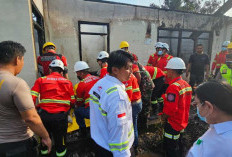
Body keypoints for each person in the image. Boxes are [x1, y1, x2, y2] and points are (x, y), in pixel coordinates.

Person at [0, 41, 51, 156]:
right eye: (22, 59)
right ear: (17, 59)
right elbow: (31, 118)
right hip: (16, 145)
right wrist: (45, 137)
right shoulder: (16, 83)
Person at [89, 50, 134, 157]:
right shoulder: (117, 96)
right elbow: (118, 130)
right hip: (112, 150)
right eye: (127, 68)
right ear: (115, 70)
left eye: (131, 67)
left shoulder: (101, 83)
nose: (131, 72)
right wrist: (122, 154)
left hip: (100, 142)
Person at [31, 59, 75, 156]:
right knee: (60, 141)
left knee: (44, 140)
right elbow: (72, 101)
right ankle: (60, 153)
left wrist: (34, 112)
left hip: (43, 116)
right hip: (60, 117)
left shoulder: (41, 80)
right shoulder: (68, 82)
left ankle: (44, 153)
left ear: (50, 70)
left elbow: (32, 98)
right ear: (62, 71)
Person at [187, 81, 232, 157]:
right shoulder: (218, 127)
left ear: (208, 106)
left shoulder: (208, 146)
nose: (196, 108)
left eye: (197, 104)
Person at [161, 57, 192, 157]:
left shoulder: (173, 87)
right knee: (179, 144)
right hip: (182, 121)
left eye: (167, 70)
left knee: (171, 148)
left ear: (172, 70)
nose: (166, 72)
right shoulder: (186, 84)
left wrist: (163, 118)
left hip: (173, 122)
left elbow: (170, 109)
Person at [73, 61, 99, 136]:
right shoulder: (97, 78)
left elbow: (79, 102)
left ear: (81, 73)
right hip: (103, 109)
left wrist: (76, 105)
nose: (77, 75)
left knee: (77, 111)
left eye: (77, 73)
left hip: (92, 111)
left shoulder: (81, 84)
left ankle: (83, 132)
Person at [123, 74, 142, 155]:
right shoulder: (129, 75)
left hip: (133, 104)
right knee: (134, 125)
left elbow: (129, 94)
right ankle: (135, 147)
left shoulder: (127, 77)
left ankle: (134, 147)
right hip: (137, 102)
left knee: (132, 126)